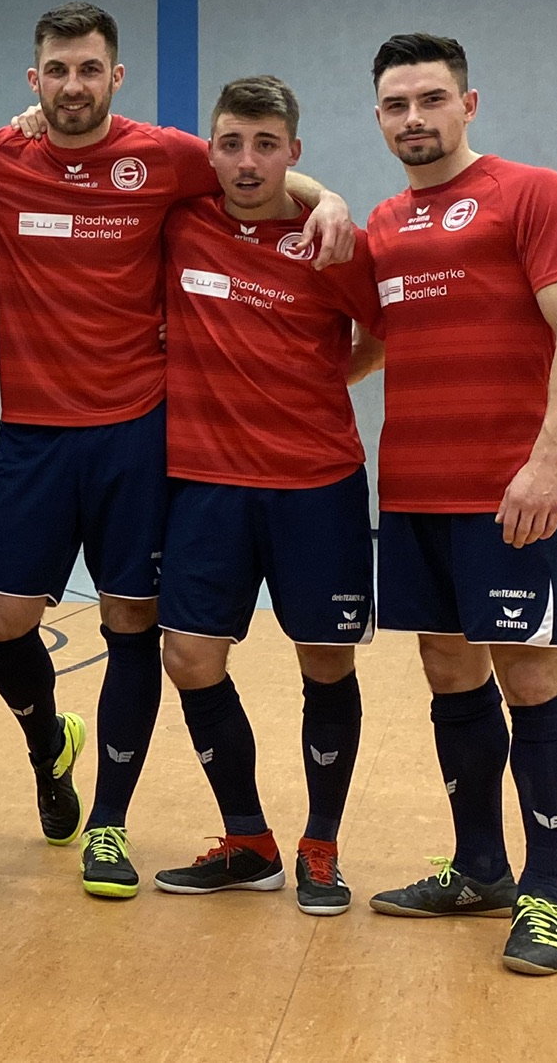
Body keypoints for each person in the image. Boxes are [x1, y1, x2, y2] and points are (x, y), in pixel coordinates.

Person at [0, 3, 352, 899]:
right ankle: (49, 739)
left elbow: (258, 169)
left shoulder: (165, 156)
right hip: (33, 441)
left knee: (132, 625)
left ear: (114, 77)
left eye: (88, 69)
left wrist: (329, 197)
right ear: (33, 80)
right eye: (56, 70)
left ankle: (108, 827)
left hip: (139, 436)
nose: (72, 86)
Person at [359, 33, 557, 978]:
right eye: (394, 105)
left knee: (530, 680)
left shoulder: (532, 193)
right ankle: (478, 868)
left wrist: (548, 463)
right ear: (377, 116)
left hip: (512, 496)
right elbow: (376, 341)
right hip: (414, 493)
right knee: (447, 674)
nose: (412, 118)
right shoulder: (382, 222)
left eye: (429, 99)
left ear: (468, 104)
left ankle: (544, 895)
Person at [142, 76, 383, 913]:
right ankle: (248, 841)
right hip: (205, 485)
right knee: (189, 658)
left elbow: (378, 332)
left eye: (265, 144)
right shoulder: (180, 224)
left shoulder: (331, 238)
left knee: (324, 662)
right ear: (208, 150)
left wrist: (319, 378)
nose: (247, 163)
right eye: (231, 144)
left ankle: (321, 847)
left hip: (315, 483)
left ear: (294, 152)